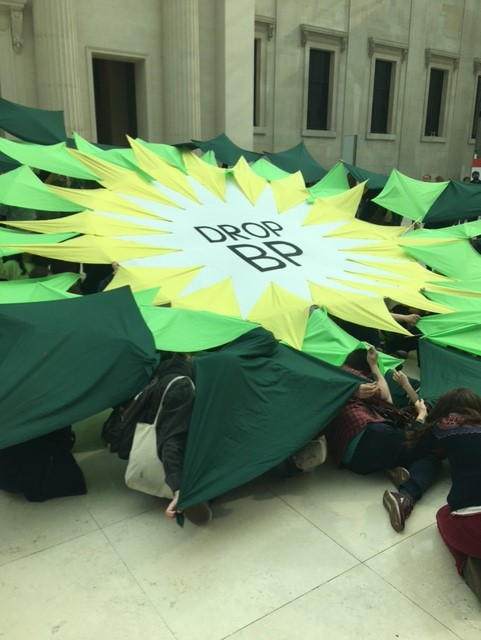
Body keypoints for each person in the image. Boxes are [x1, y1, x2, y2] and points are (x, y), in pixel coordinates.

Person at [324, 347, 442, 532]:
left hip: (350, 460)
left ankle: (391, 468)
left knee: (402, 449)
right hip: (372, 436)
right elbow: (387, 398)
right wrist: (374, 367)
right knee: (431, 455)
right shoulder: (357, 377)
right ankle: (406, 497)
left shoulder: (333, 376)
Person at [421, 388, 481, 602]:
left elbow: (413, 445)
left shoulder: (445, 425)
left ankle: (467, 567)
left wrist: (421, 416)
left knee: (443, 515)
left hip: (472, 526)